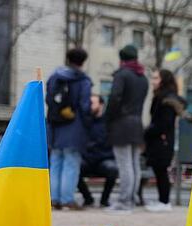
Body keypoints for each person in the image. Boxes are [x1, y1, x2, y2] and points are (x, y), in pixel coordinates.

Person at [46, 48, 92, 210]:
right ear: (82, 62)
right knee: (71, 163)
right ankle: (67, 199)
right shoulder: (83, 80)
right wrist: (87, 125)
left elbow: (49, 100)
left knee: (56, 161)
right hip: (74, 127)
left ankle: (54, 198)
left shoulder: (54, 77)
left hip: (55, 127)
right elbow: (85, 106)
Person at [105, 44, 149, 212]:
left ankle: (124, 201)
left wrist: (108, 118)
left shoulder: (122, 75)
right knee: (134, 164)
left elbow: (115, 98)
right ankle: (132, 198)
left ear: (121, 59)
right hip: (137, 123)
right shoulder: (142, 78)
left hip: (121, 124)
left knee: (124, 164)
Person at [144, 69, 185, 212]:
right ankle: (163, 200)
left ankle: (164, 201)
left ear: (163, 80)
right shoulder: (164, 98)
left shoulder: (166, 100)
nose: (153, 81)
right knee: (159, 170)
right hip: (162, 140)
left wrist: (148, 131)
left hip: (162, 140)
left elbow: (164, 123)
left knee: (161, 170)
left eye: (156, 78)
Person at [77, 95, 118, 207]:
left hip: (103, 159)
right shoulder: (85, 121)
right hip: (87, 159)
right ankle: (88, 198)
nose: (89, 106)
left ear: (101, 105)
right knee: (74, 168)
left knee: (112, 169)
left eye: (93, 103)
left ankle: (104, 200)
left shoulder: (108, 123)